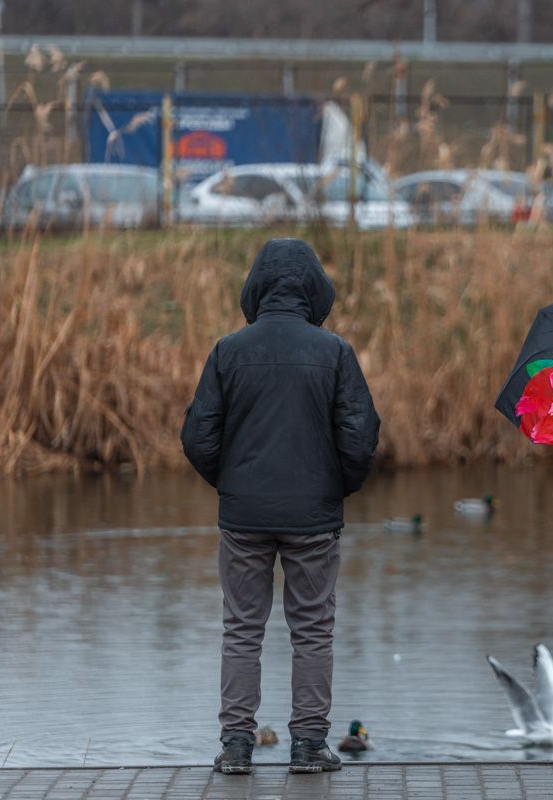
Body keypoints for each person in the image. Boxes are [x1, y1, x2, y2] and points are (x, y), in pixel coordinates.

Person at [181, 238, 380, 775]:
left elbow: (199, 437)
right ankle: (310, 746)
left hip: (243, 516)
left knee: (241, 628)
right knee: (313, 628)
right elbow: (360, 439)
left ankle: (237, 747)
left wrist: (231, 484)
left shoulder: (228, 350)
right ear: (314, 291)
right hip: (314, 517)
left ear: (256, 289)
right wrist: (335, 489)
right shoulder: (334, 351)